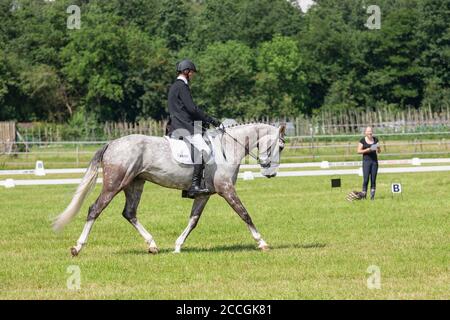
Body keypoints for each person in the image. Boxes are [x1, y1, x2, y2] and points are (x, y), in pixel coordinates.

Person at [167, 59, 221, 197]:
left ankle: (188, 186)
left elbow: (183, 109)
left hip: (177, 124)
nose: (193, 75)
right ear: (186, 72)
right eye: (192, 73)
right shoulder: (182, 86)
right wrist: (211, 120)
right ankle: (194, 186)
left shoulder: (174, 86)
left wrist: (201, 122)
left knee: (198, 149)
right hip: (184, 125)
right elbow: (192, 108)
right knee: (204, 150)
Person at [357, 127, 381, 200]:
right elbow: (358, 151)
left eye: (371, 131)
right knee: (366, 179)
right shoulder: (362, 140)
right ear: (365, 132)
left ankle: (372, 197)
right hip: (366, 162)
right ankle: (364, 195)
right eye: (368, 131)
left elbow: (379, 151)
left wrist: (378, 148)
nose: (370, 132)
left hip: (374, 162)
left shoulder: (376, 139)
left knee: (373, 179)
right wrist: (367, 150)